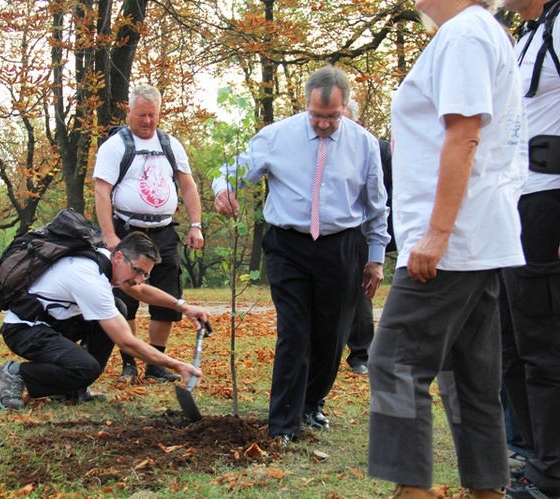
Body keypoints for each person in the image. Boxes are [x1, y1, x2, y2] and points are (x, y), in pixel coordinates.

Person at [365, 0, 528, 495]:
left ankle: (409, 491)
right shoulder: (478, 33)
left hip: (451, 242)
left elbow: (464, 137)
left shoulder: (464, 37)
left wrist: (436, 233)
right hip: (477, 236)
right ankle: (488, 490)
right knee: (471, 379)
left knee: (393, 365)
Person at [212, 66, 389, 443]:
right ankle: (283, 424)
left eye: (333, 117)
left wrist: (375, 257)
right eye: (317, 116)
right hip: (287, 244)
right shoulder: (277, 136)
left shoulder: (364, 144)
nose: (324, 124)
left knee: (332, 334)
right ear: (305, 103)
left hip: (341, 246)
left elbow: (376, 206)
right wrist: (223, 189)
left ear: (345, 107)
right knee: (295, 330)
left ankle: (312, 403)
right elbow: (236, 170)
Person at [0, 231, 209, 410]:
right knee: (86, 368)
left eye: (145, 274)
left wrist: (184, 307)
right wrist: (177, 364)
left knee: (118, 307)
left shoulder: (106, 260)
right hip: (24, 329)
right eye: (138, 271)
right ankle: (15, 374)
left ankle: (72, 388)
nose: (138, 279)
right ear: (118, 257)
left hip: (53, 323)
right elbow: (126, 342)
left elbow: (140, 291)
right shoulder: (89, 278)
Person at [94, 84, 204, 384]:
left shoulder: (171, 144)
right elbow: (102, 191)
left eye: (152, 115)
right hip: (127, 231)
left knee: (167, 297)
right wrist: (110, 236)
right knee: (125, 296)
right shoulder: (115, 146)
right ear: (129, 111)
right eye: (141, 114)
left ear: (159, 113)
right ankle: (129, 363)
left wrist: (196, 225)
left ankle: (156, 365)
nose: (147, 121)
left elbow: (188, 185)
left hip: (164, 231)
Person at [500, 0, 560, 497]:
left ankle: (552, 476)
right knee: (513, 344)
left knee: (544, 345)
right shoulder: (524, 37)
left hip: (550, 203)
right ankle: (539, 457)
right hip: (515, 206)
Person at [342, 98, 395, 376]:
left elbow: (384, 195)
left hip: (362, 229)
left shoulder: (374, 148)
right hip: (327, 231)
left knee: (361, 292)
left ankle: (361, 353)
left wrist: (380, 243)